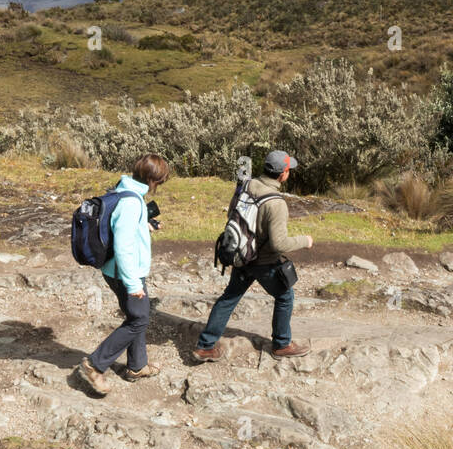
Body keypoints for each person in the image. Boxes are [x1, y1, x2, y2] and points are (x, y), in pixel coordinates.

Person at [192, 150, 313, 361]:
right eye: (288, 169)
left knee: (229, 298)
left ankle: (205, 346)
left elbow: (232, 213)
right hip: (263, 262)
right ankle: (282, 345)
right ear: (283, 174)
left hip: (240, 255)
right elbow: (279, 244)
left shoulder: (246, 185)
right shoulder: (276, 203)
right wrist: (305, 241)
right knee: (285, 296)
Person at [78, 153, 170, 395]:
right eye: (160, 181)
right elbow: (123, 246)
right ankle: (95, 365)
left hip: (117, 270)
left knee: (137, 315)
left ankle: (137, 366)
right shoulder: (131, 202)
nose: (159, 186)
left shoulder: (124, 189)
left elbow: (122, 227)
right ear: (153, 180)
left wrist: (145, 225)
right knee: (138, 319)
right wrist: (132, 284)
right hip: (125, 273)